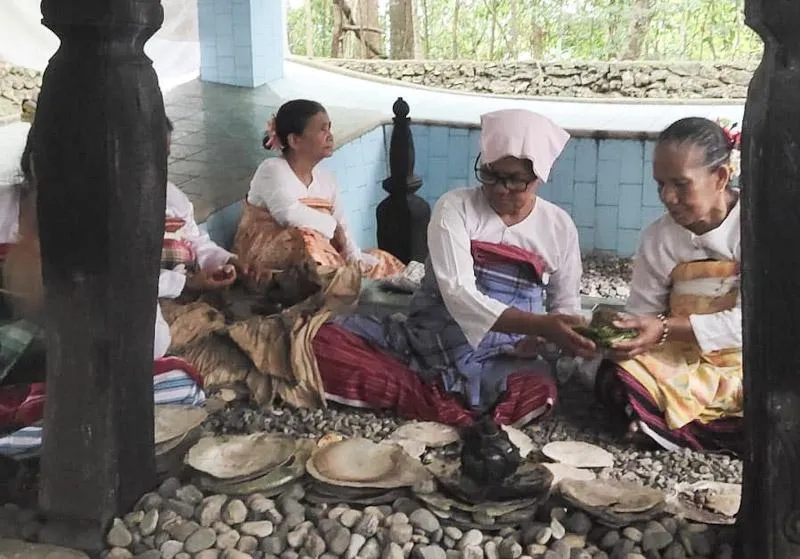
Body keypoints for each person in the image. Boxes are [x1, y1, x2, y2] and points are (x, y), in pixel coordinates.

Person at [312, 109, 596, 427]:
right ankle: (456, 406)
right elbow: (459, 295)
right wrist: (541, 325)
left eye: (516, 180)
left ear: (540, 177)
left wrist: (553, 340)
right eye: (490, 175)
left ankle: (425, 398)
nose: (501, 189)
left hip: (506, 355)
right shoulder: (455, 207)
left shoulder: (558, 227)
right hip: (428, 342)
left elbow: (565, 307)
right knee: (318, 337)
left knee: (535, 391)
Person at [594, 117, 743, 453]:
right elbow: (642, 312)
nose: (668, 197)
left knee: (773, 393)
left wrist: (662, 328)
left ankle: (655, 425)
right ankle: (667, 426)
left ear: (720, 178)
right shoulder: (657, 238)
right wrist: (623, 337)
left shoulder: (756, 228)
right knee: (615, 373)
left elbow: (754, 326)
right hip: (679, 355)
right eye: (660, 184)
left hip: (744, 357)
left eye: (680, 184)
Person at [233, 99, 404, 281]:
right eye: (322, 129)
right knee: (306, 238)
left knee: (380, 261)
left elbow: (342, 226)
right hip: (267, 264)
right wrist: (331, 226)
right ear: (295, 140)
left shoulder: (327, 179)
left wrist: (355, 260)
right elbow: (289, 215)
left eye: (329, 128)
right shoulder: (271, 169)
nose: (330, 136)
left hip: (320, 256)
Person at [159, 117, 243, 307]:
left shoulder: (171, 195)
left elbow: (195, 240)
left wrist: (226, 260)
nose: (160, 166)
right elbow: (123, 277)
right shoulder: (106, 211)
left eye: (164, 156)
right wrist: (185, 283)